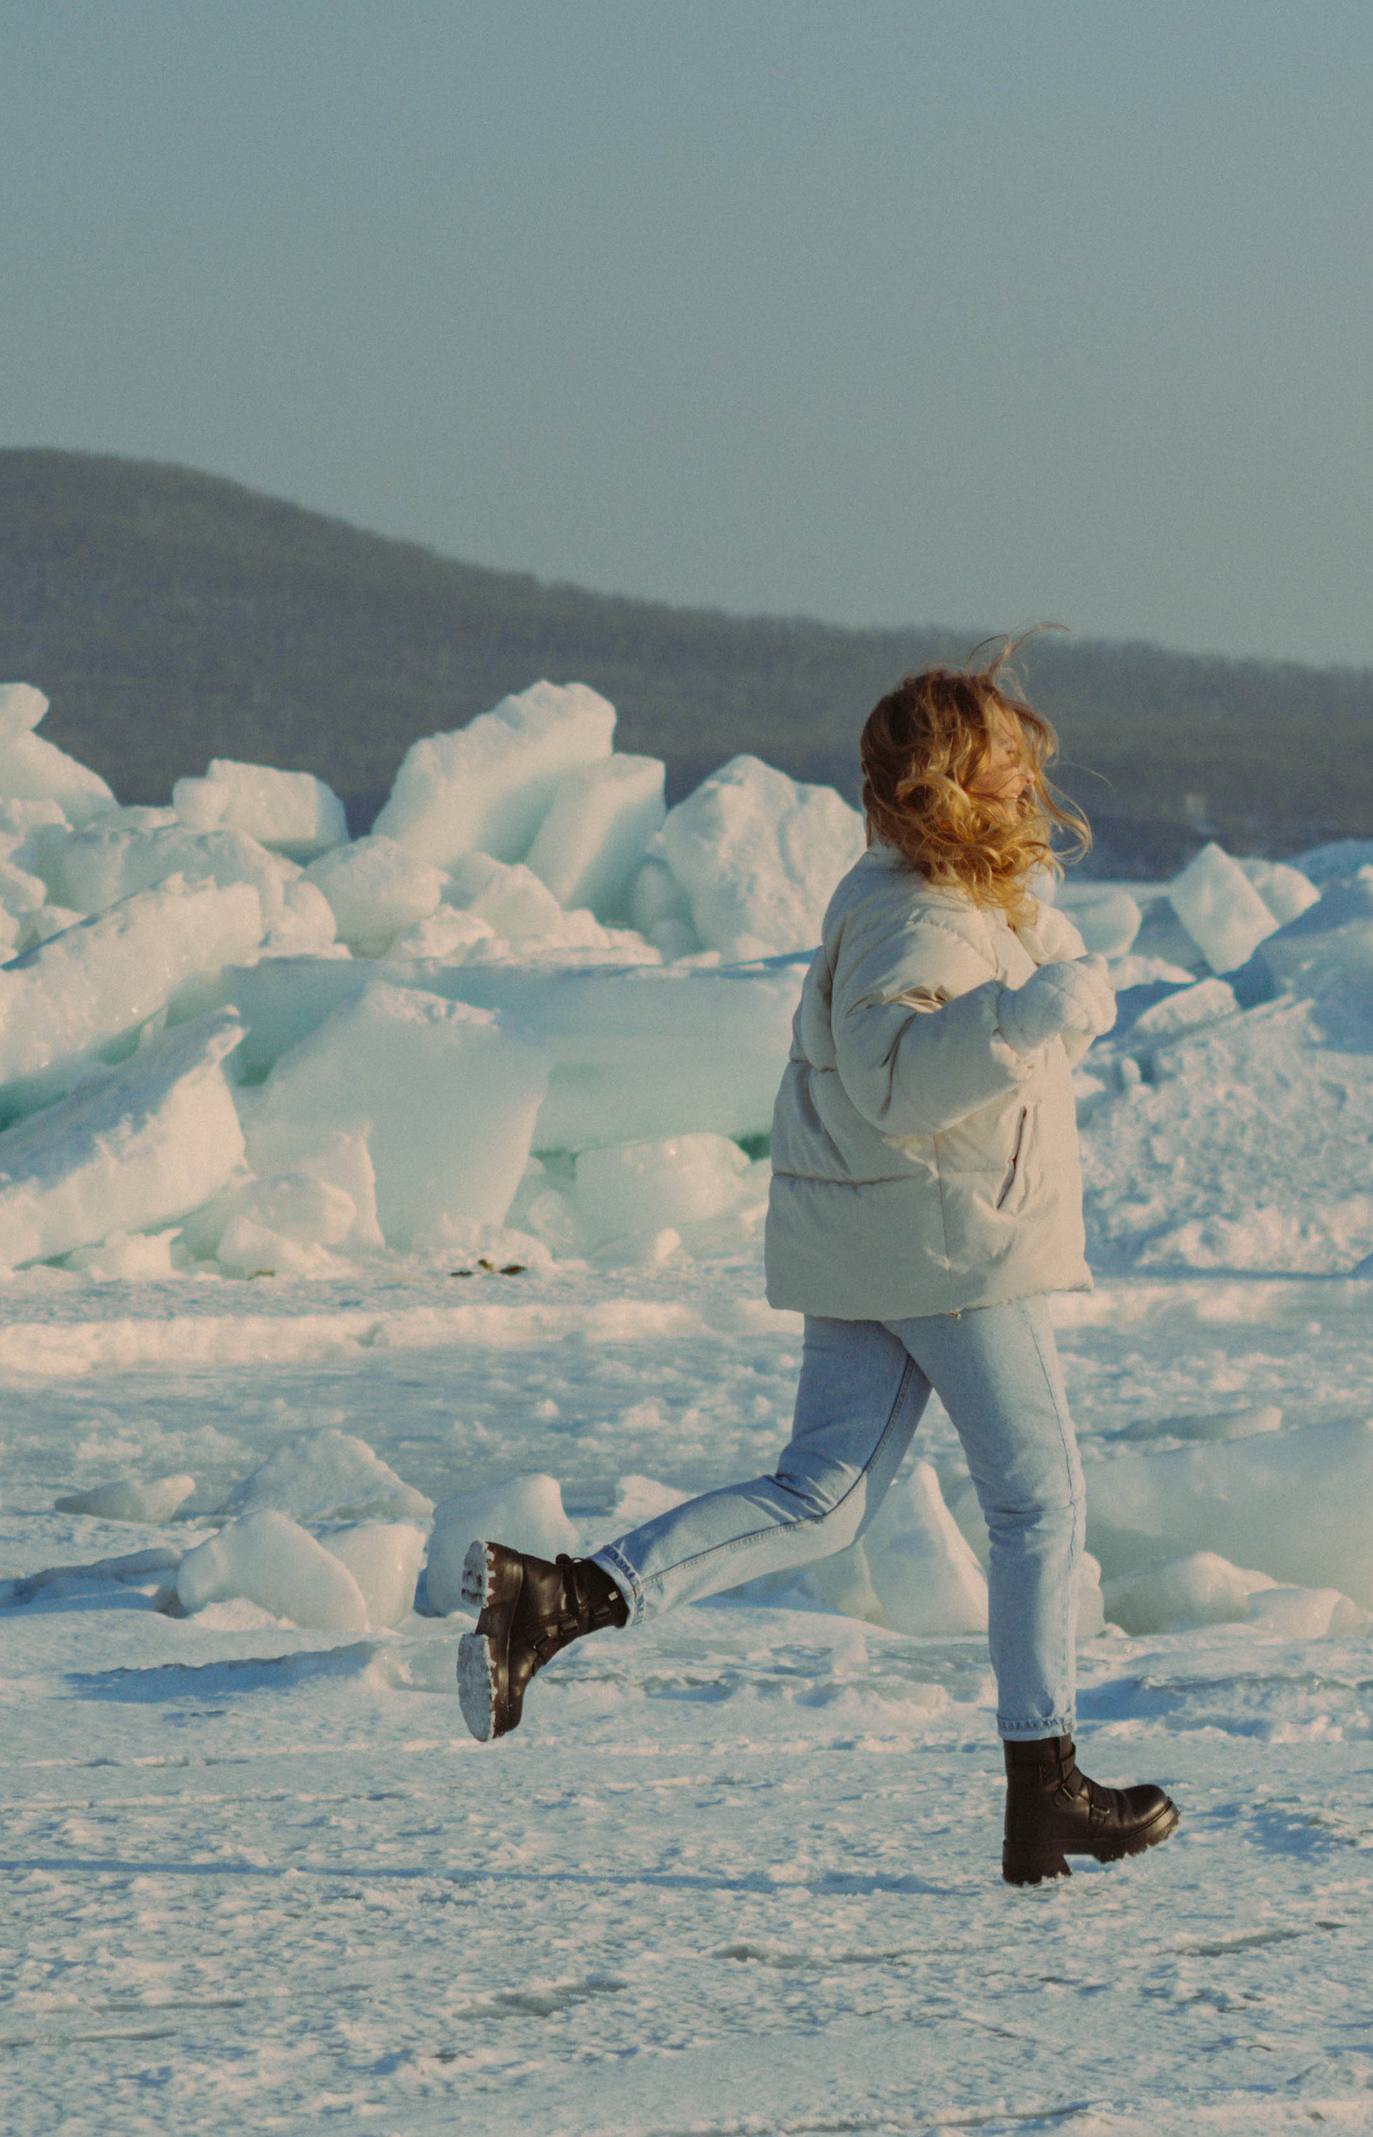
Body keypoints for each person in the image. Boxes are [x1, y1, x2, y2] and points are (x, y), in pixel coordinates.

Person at [457, 649, 1180, 1889]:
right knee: (1037, 1502)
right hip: (945, 1246)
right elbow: (900, 1078)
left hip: (886, 1240)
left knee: (822, 1498)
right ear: (952, 777)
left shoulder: (930, 897)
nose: (1029, 779)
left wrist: (1024, 961)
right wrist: (1036, 1011)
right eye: (1008, 761)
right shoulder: (911, 913)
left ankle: (560, 1600)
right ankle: (1044, 1784)